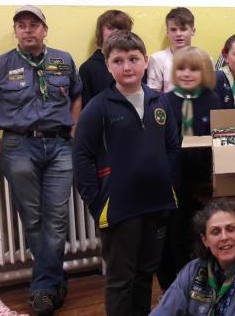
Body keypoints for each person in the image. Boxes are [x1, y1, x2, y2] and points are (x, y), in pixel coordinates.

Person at [0, 5, 82, 316]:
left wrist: (74, 124)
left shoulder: (64, 60)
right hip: (18, 147)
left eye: (34, 24)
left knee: (56, 220)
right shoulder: (0, 65)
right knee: (33, 220)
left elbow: (77, 94)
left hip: (58, 146)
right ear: (15, 32)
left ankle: (44, 287)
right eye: (21, 25)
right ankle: (53, 282)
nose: (28, 30)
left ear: (45, 30)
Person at [74, 31, 179, 316]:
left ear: (145, 61)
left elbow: (172, 146)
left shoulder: (161, 102)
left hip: (156, 203)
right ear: (108, 66)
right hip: (120, 208)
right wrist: (96, 201)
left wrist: (164, 180)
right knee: (122, 279)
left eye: (133, 59)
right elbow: (81, 156)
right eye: (118, 61)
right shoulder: (98, 108)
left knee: (146, 274)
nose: (127, 67)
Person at [157, 47, 222, 291]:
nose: (187, 73)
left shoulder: (211, 99)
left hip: (203, 178)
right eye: (181, 68)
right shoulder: (166, 101)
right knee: (176, 230)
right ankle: (174, 282)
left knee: (202, 229)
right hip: (175, 179)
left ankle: (204, 277)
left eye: (194, 69)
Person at [151, 200, 235, 316]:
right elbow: (163, 311)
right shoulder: (193, 270)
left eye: (231, 229)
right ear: (205, 240)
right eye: (215, 232)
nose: (224, 237)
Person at [79, 9, 134, 108]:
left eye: (121, 29)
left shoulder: (136, 64)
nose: (116, 32)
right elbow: (86, 109)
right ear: (101, 31)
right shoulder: (88, 69)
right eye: (110, 28)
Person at [148, 7, 197, 92]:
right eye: (173, 30)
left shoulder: (204, 59)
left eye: (183, 29)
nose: (178, 34)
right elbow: (154, 94)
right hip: (166, 105)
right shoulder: (157, 59)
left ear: (193, 31)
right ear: (167, 32)